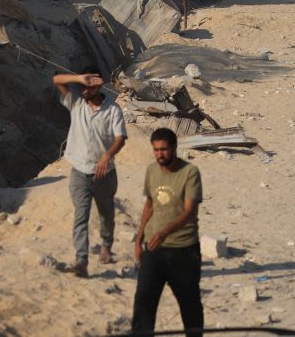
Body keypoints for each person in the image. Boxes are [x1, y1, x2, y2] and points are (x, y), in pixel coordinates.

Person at [53, 71, 127, 277]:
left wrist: (106, 156)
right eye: (84, 87)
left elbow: (120, 138)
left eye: (90, 87)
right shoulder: (76, 105)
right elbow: (56, 80)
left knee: (106, 213)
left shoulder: (113, 110)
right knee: (81, 214)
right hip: (79, 172)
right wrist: (79, 78)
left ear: (100, 86)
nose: (85, 91)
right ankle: (81, 260)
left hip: (104, 173)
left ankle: (106, 246)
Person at [132, 128, 204, 337]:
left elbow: (190, 212)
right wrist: (139, 240)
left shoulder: (190, 172)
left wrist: (164, 232)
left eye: (163, 149)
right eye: (155, 150)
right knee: (143, 303)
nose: (159, 154)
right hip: (154, 250)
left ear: (174, 148)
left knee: (190, 306)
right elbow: (149, 205)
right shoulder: (152, 171)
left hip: (184, 251)